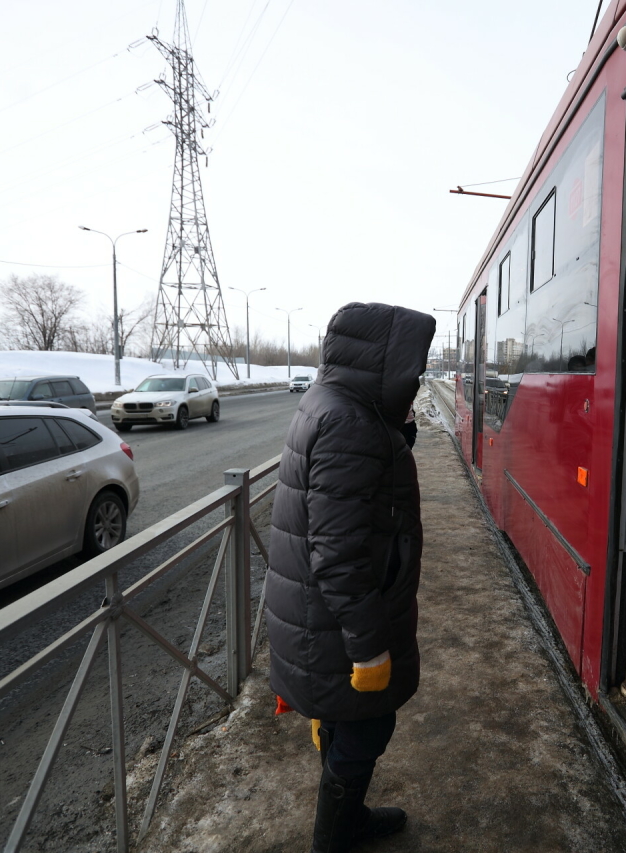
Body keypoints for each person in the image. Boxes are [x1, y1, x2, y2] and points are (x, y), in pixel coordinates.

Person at [266, 302, 436, 853]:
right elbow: (338, 554)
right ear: (386, 364)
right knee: (368, 727)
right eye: (414, 368)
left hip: (320, 616)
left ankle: (349, 817)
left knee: (347, 723)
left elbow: (354, 497)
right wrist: (368, 649)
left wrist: (394, 438)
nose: (417, 379)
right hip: (340, 624)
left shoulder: (333, 403)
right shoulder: (349, 423)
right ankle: (334, 839)